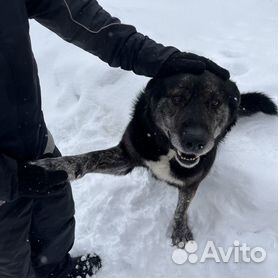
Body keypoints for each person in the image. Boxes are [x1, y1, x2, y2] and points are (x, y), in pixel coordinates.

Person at [0, 0, 230, 277]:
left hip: (33, 138)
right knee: (10, 255)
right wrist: (10, 180)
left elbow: (80, 15)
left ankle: (57, 269)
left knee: (55, 217)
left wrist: (160, 59)